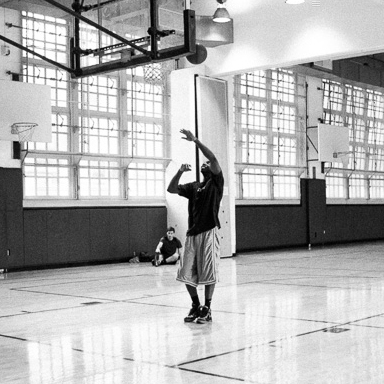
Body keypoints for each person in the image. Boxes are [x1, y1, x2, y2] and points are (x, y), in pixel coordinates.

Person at [167, 129, 224, 324]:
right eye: (204, 163)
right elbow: (172, 189)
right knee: (186, 274)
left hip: (209, 231)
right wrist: (180, 172)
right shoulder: (194, 186)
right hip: (192, 234)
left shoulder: (216, 183)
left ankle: (207, 308)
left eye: (206, 163)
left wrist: (196, 141)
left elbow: (213, 158)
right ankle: (195, 305)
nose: (205, 163)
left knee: (208, 273)